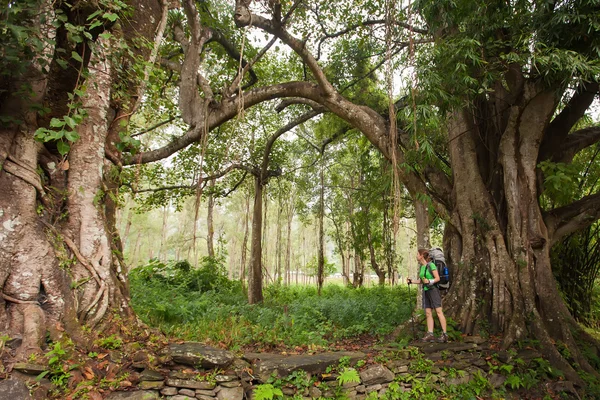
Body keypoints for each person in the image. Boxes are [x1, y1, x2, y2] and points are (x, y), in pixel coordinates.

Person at [407, 248, 448, 343]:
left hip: (433, 290)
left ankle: (445, 334)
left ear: (421, 255)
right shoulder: (422, 267)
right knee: (428, 312)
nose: (416, 256)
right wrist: (411, 281)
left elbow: (437, 278)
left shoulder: (431, 265)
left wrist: (429, 281)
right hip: (426, 291)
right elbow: (422, 281)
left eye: (417, 254)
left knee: (438, 311)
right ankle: (430, 334)